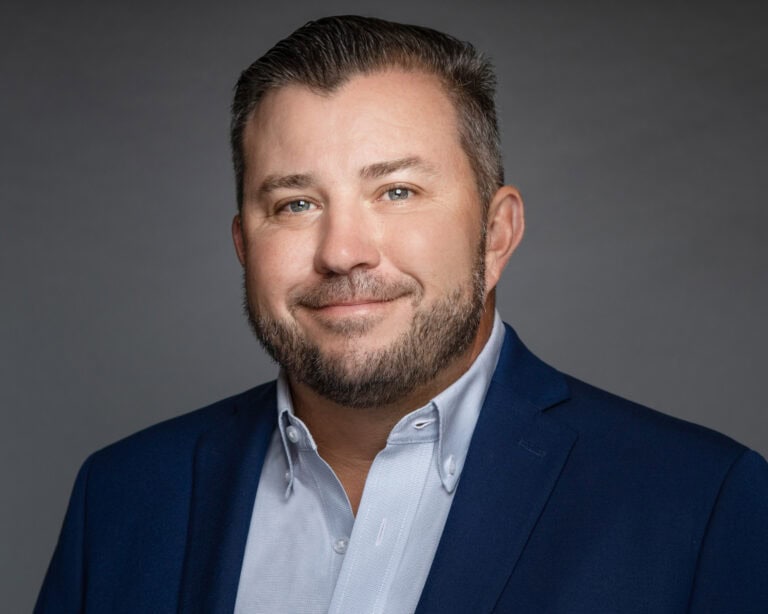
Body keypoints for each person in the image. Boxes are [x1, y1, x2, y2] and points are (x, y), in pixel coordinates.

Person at [35, 15, 768, 614]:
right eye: (296, 204)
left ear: (496, 235)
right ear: (241, 244)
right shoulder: (123, 495)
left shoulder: (702, 504)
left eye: (397, 192)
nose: (343, 252)